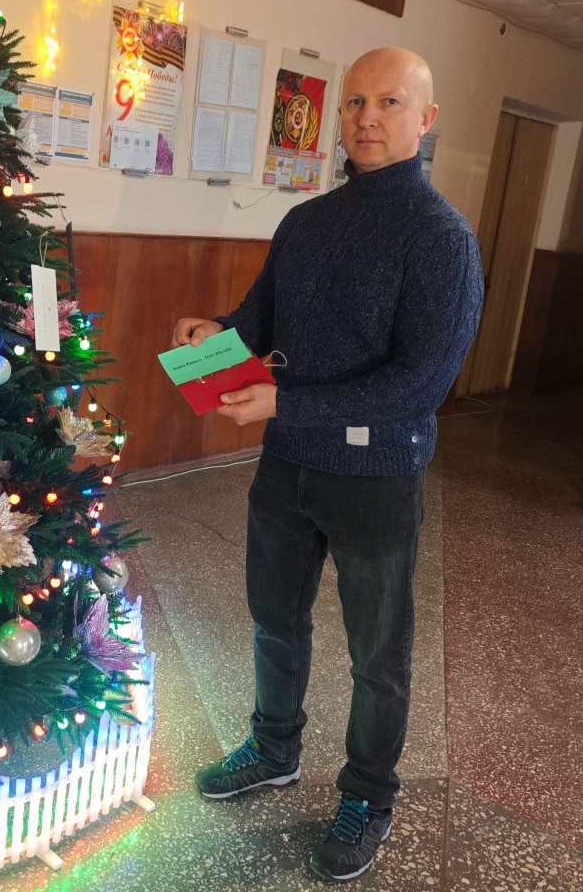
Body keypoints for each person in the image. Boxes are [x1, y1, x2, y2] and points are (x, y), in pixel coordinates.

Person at [171, 47, 483, 883]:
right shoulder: (306, 222)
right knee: (274, 618)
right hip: (288, 465)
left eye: (389, 102)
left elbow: (421, 385)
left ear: (426, 118)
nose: (366, 118)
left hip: (377, 477)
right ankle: (274, 749)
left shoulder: (441, 238)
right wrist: (214, 336)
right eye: (354, 102)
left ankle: (369, 797)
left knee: (378, 655)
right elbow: (258, 319)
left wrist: (288, 404)